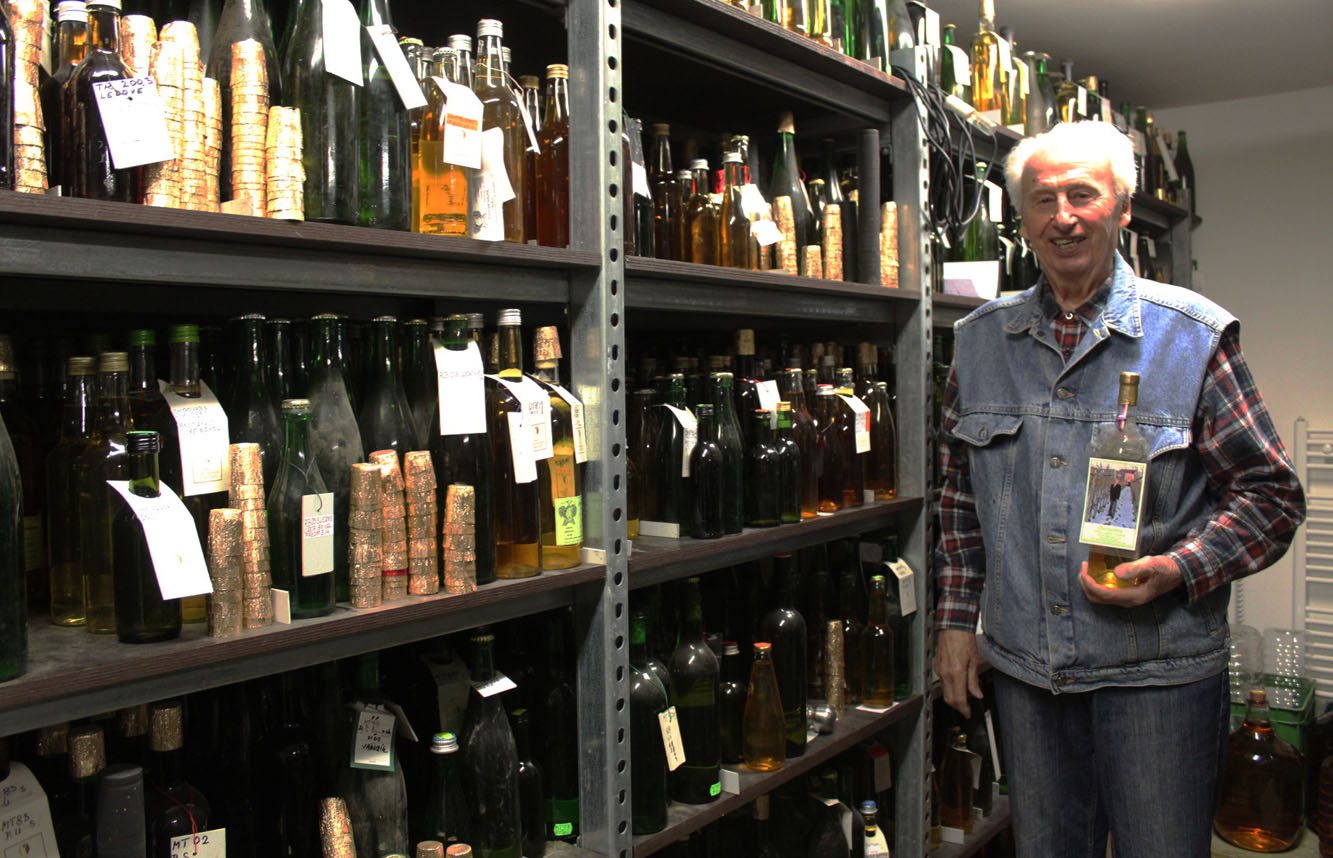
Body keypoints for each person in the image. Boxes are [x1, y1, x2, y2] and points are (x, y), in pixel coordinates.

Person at [932, 121, 1305, 858]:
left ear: (1123, 209)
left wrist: (1179, 568)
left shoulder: (1191, 336)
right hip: (1027, 673)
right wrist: (953, 625)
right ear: (1022, 219)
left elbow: (1270, 497)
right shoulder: (977, 342)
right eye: (1043, 200)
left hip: (1157, 678)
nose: (1062, 216)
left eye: (1082, 195)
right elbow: (956, 501)